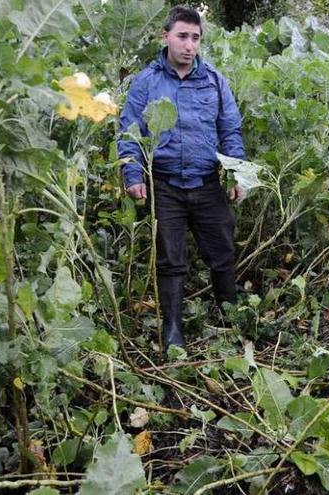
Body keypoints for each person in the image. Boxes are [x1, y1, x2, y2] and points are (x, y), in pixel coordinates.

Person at [117, 5, 246, 349]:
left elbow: (230, 131)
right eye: (182, 37)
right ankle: (173, 330)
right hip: (165, 185)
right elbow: (129, 131)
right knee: (170, 259)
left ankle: (229, 319)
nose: (189, 45)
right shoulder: (146, 81)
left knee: (221, 252)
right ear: (166, 37)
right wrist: (132, 174)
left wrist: (235, 175)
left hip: (206, 183)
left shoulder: (215, 81)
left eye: (196, 38)